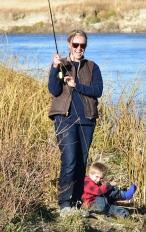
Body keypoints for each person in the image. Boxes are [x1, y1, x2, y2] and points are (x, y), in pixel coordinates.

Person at [48, 29, 103, 217]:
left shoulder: (92, 67)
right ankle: (64, 204)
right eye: (76, 45)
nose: (79, 48)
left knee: (81, 163)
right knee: (69, 160)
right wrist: (55, 68)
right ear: (69, 44)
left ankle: (77, 204)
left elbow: (97, 90)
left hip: (87, 120)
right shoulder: (61, 64)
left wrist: (76, 85)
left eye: (83, 45)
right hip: (64, 119)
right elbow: (54, 90)